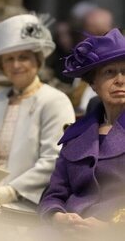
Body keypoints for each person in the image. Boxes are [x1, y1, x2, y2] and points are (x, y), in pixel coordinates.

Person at [0, 14, 75, 207]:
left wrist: (11, 191)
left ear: (38, 61)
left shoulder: (55, 101)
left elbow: (54, 159)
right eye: (9, 59)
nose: (16, 65)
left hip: (31, 201)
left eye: (23, 57)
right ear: (2, 65)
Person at [39, 28, 125, 233]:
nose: (120, 80)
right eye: (109, 72)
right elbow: (53, 195)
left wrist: (111, 228)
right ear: (94, 84)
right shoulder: (77, 135)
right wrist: (57, 216)